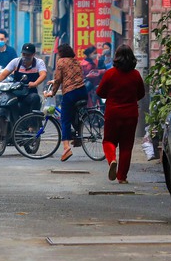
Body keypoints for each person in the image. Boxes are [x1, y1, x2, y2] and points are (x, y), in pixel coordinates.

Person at [96, 44, 144, 184]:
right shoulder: (135, 75)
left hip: (113, 113)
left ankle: (112, 160)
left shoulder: (110, 74)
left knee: (108, 141)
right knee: (126, 146)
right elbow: (141, 93)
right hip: (131, 114)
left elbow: (100, 92)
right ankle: (122, 177)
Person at [44, 43, 88, 162]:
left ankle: (66, 147)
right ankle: (78, 137)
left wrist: (52, 93)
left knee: (65, 119)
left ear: (61, 53)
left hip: (71, 93)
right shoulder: (75, 61)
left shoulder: (61, 62)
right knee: (76, 115)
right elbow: (70, 76)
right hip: (83, 91)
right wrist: (56, 81)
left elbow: (58, 79)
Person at [0, 42, 47, 117]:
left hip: (29, 93)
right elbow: (3, 74)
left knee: (35, 98)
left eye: (28, 55)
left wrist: (35, 83)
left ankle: (32, 125)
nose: (25, 57)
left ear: (33, 54)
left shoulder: (39, 63)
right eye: (24, 54)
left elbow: (43, 75)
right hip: (15, 92)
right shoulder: (16, 62)